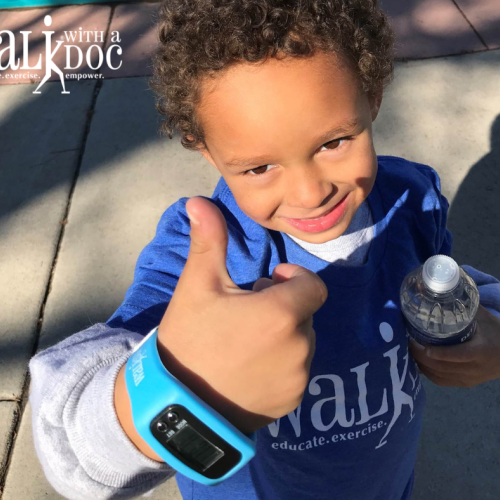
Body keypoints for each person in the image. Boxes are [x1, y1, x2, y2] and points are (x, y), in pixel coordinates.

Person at [28, 0, 500, 499]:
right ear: (203, 146)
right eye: (258, 168)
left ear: (372, 97)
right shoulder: (205, 257)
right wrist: (184, 390)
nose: (309, 193)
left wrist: (488, 323)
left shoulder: (412, 196)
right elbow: (71, 448)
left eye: (335, 141)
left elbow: (445, 278)